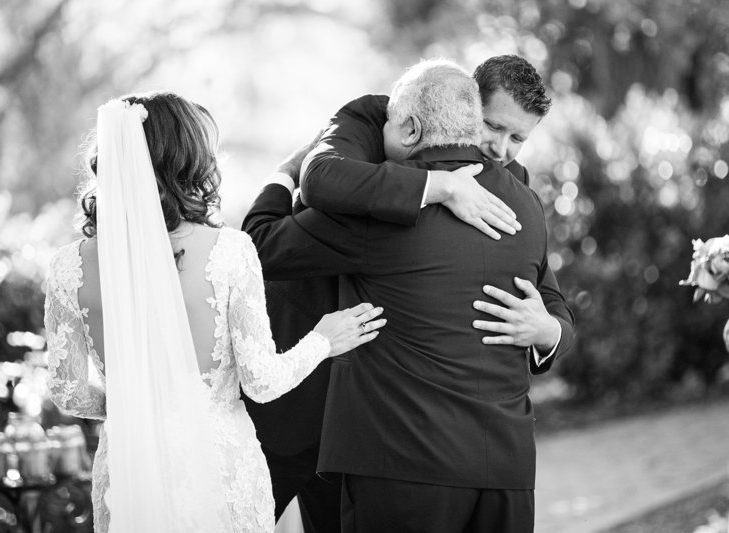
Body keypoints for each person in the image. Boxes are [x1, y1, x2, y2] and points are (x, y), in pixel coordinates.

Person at [241, 55, 574, 531]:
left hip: (398, 444)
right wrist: (437, 186)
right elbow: (320, 177)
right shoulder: (375, 122)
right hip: (314, 405)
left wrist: (548, 331)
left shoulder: (518, 194)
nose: (499, 150)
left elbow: (549, 297)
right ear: (467, 104)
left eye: (517, 138)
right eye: (493, 127)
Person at [42, 92, 386, 532]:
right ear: (187, 162)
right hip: (219, 467)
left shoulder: (68, 267)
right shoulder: (229, 252)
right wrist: (324, 339)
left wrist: (138, 402)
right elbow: (262, 382)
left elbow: (69, 391)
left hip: (129, 467)